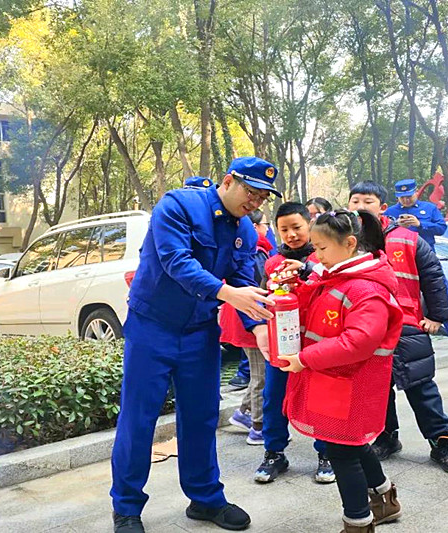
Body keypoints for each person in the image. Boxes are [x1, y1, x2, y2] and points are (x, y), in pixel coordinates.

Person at [110, 157, 280, 533]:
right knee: (139, 419)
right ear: (228, 181)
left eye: (262, 196)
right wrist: (226, 293)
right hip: (152, 327)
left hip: (200, 331)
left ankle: (205, 499)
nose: (255, 202)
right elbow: (176, 261)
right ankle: (126, 507)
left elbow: (241, 279)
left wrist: (259, 328)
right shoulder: (178, 205)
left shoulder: (246, 231)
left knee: (201, 416)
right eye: (251, 192)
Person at [276, 210, 404, 533]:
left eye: (320, 249)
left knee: (341, 451)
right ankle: (384, 498)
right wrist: (299, 288)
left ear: (348, 244)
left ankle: (358, 522)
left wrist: (305, 358)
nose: (315, 256)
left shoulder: (366, 289)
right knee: (352, 443)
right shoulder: (336, 275)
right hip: (333, 381)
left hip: (349, 384)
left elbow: (358, 341)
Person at [348, 182, 448, 474]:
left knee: (422, 388)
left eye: (368, 201)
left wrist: (438, 315)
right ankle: (386, 438)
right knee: (376, 389)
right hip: (364, 329)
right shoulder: (344, 242)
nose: (361, 207)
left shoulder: (407, 239)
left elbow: (434, 276)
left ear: (383, 207)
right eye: (355, 201)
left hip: (406, 326)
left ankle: (443, 444)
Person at [253, 201, 335, 484]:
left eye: (297, 227)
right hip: (282, 344)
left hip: (315, 343)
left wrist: (304, 270)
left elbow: (334, 285)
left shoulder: (322, 259)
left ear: (309, 225)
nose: (291, 234)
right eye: (284, 229)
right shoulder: (273, 263)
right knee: (275, 398)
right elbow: (262, 299)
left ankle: (326, 453)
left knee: (319, 399)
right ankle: (274, 452)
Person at [384, 178, 448, 347]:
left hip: (426, 259)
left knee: (443, 296)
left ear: (416, 192)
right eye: (402, 197)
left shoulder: (429, 209)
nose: (406, 200)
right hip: (399, 262)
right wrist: (395, 225)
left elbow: (441, 228)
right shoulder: (390, 212)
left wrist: (420, 224)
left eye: (408, 196)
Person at [222, 210, 275, 444]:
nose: (267, 229)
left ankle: (242, 414)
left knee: (259, 373)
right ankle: (257, 427)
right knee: (260, 376)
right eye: (264, 224)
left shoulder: (261, 251)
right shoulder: (254, 255)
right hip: (252, 321)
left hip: (252, 320)